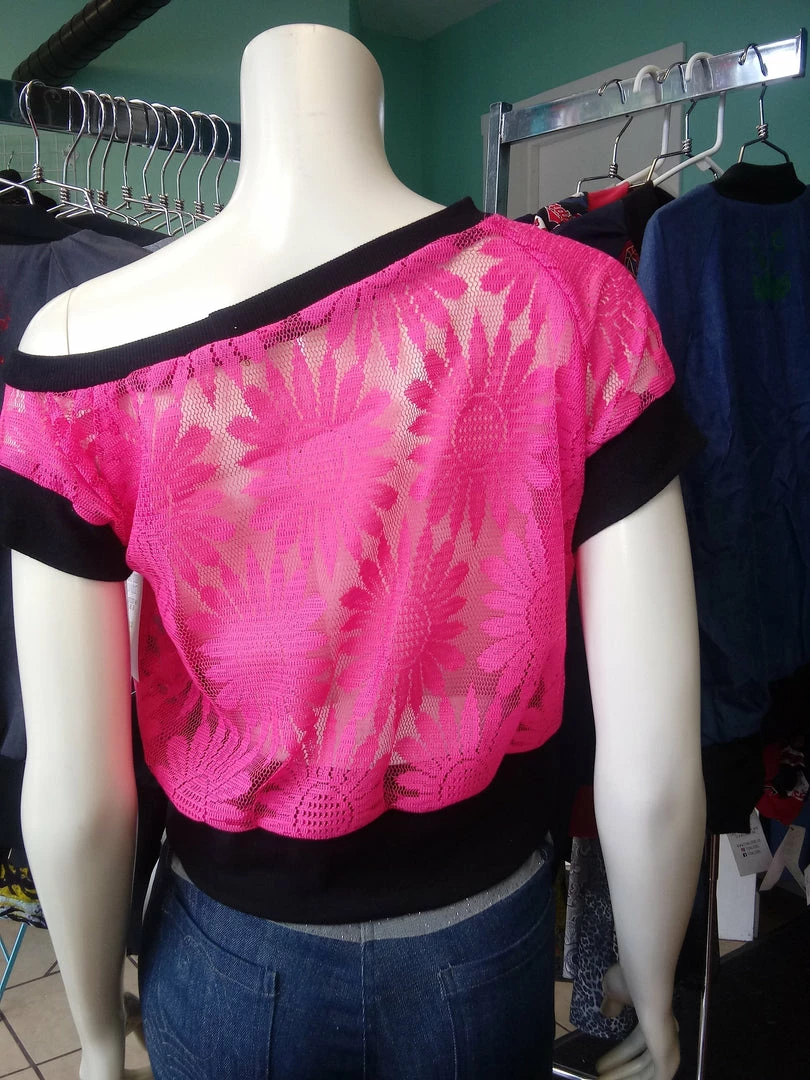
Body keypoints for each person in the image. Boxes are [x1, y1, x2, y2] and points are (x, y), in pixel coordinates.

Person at [0, 23, 704, 1080]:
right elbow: (652, 759)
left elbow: (77, 787)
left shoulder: (78, 349)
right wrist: (652, 986)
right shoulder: (575, 304)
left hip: (232, 959)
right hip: (482, 945)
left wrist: (97, 1036)